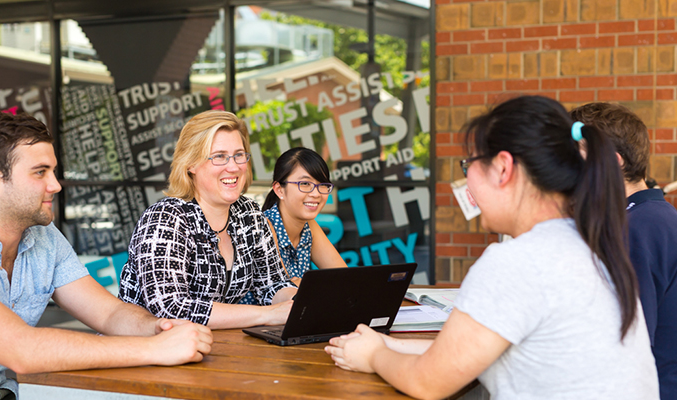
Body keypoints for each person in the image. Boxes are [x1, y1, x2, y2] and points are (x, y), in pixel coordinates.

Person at [325, 96, 659, 399]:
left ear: (502, 167)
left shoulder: (519, 261)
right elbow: (468, 353)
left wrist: (373, 356)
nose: (468, 181)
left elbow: (427, 383)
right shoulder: (588, 245)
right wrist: (388, 343)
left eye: (470, 165)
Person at [0, 111, 212, 399]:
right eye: (40, 172)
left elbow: (109, 313)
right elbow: (20, 349)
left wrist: (157, 329)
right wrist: (155, 349)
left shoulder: (42, 237)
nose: (56, 185)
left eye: (52, 171)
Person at [118, 110, 297, 329]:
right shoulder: (166, 218)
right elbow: (171, 308)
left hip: (208, 348)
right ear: (190, 164)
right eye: (219, 156)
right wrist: (268, 315)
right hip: (142, 350)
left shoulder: (248, 213)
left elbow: (272, 284)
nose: (233, 167)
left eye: (239, 155)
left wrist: (298, 303)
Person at [571, 102, 677, 399]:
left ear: (612, 161)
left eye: (574, 158)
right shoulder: (650, 216)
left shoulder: (637, 229)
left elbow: (626, 342)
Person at [239, 148, 346, 304]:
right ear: (279, 189)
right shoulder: (264, 227)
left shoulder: (309, 226)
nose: (316, 193)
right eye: (305, 183)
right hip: (247, 324)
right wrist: (310, 284)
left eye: (322, 185)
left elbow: (344, 279)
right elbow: (283, 291)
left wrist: (305, 283)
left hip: (287, 321)